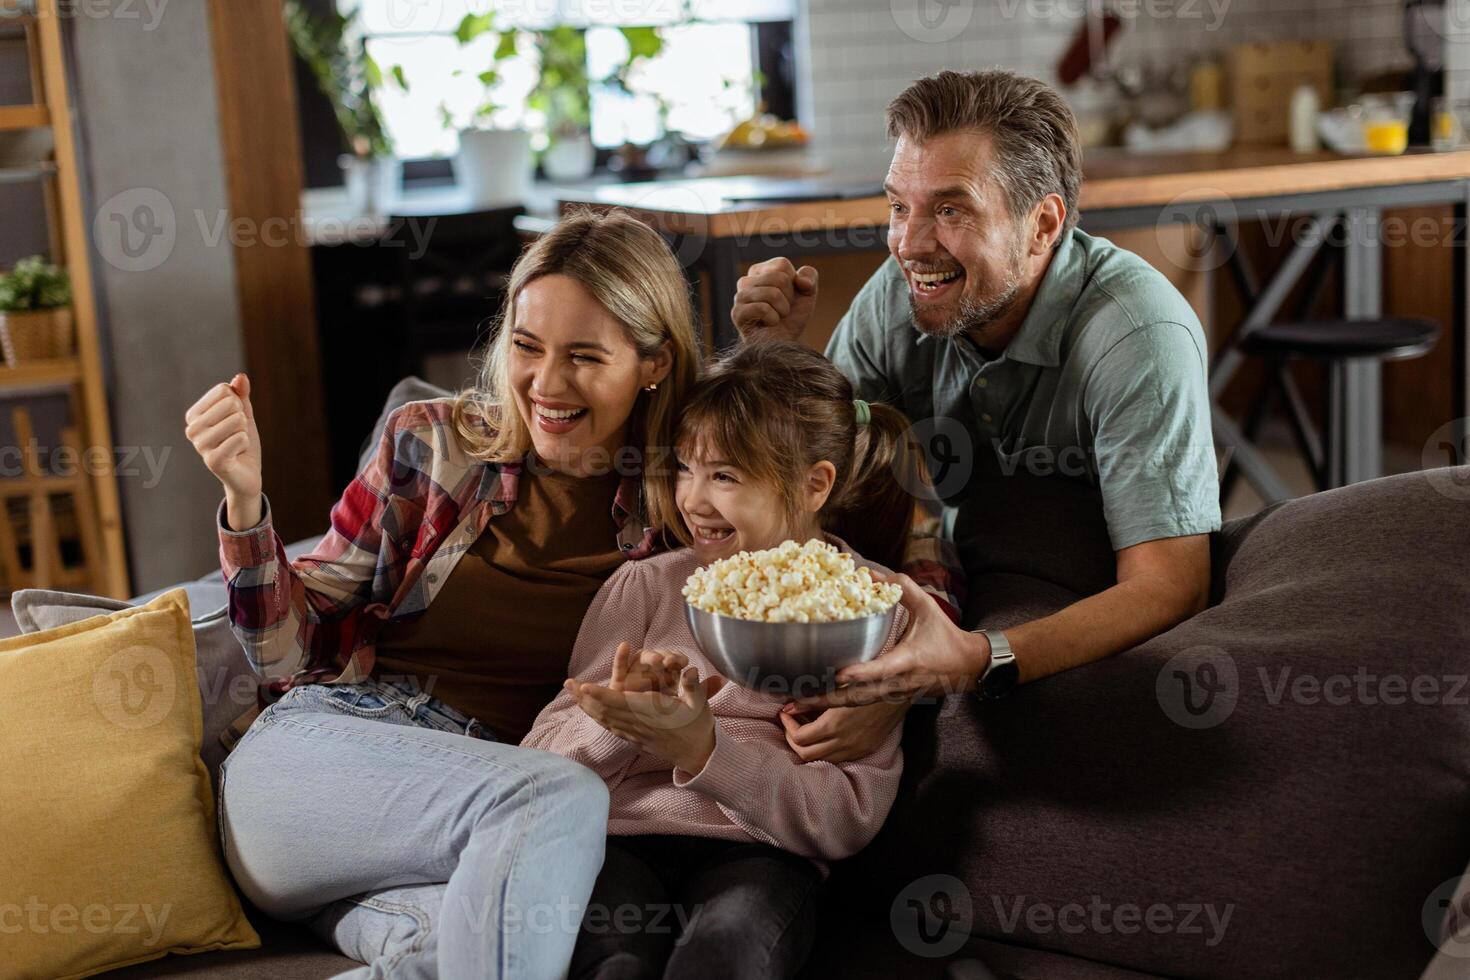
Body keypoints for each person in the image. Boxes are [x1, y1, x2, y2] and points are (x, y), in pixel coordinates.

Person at [183, 210, 701, 979]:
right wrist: (245, 503)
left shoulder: (687, 512)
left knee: (468, 952)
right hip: (314, 768)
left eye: (586, 357)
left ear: (654, 363)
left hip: (463, 824)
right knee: (561, 797)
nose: (546, 384)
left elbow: (818, 494)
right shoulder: (431, 443)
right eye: (526, 347)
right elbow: (282, 649)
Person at [731, 69, 1221, 715]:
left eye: (950, 209)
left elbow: (1169, 589)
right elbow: (820, 487)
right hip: (946, 578)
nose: (908, 245)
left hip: (1068, 596)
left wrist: (977, 660)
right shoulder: (898, 293)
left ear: (1042, 224)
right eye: (898, 206)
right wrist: (776, 359)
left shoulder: (1139, 334)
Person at [523, 341, 919, 979]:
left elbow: (845, 818)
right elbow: (538, 768)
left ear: (815, 484)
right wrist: (620, 720)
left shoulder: (874, 611)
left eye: (726, 476)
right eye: (685, 467)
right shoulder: (647, 587)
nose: (692, 499)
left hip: (762, 855)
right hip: (619, 840)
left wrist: (703, 750)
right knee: (610, 961)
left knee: (723, 960)